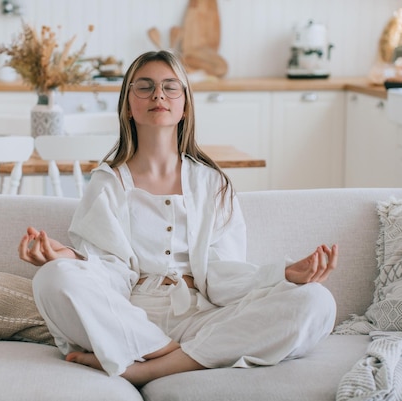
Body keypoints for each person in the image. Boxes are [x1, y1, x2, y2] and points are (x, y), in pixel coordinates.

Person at [18, 50, 338, 387]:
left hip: (203, 316)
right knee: (52, 279)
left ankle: (148, 368)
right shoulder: (107, 183)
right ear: (128, 105)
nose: (158, 95)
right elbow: (109, 272)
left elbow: (222, 276)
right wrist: (67, 258)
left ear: (185, 105)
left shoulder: (212, 183)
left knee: (315, 301)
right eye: (145, 87)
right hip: (130, 316)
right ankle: (169, 350)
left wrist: (284, 275)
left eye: (171, 87)